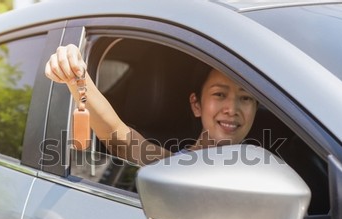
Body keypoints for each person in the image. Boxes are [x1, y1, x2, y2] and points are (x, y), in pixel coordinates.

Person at [45, 44, 258, 166]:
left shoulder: (268, 168)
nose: (232, 109)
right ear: (196, 104)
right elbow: (120, 137)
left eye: (246, 98)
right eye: (220, 94)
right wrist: (76, 78)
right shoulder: (172, 165)